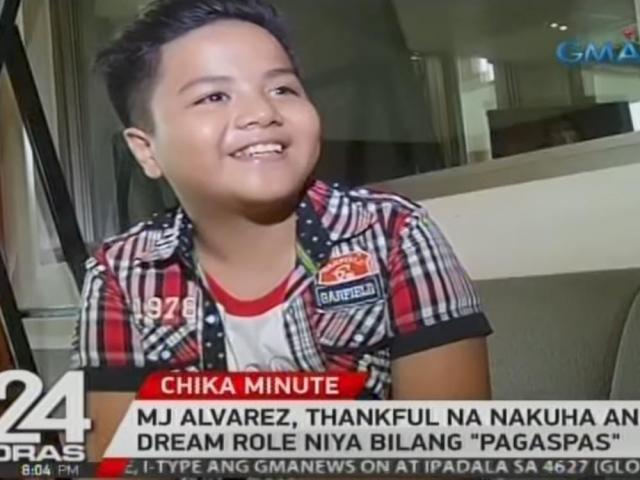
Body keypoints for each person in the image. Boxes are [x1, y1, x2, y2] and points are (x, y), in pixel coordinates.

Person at [71, 0, 493, 460]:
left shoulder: (393, 235)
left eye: (283, 89)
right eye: (214, 97)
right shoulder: (121, 274)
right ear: (146, 150)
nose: (262, 112)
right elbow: (116, 460)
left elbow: (447, 450)